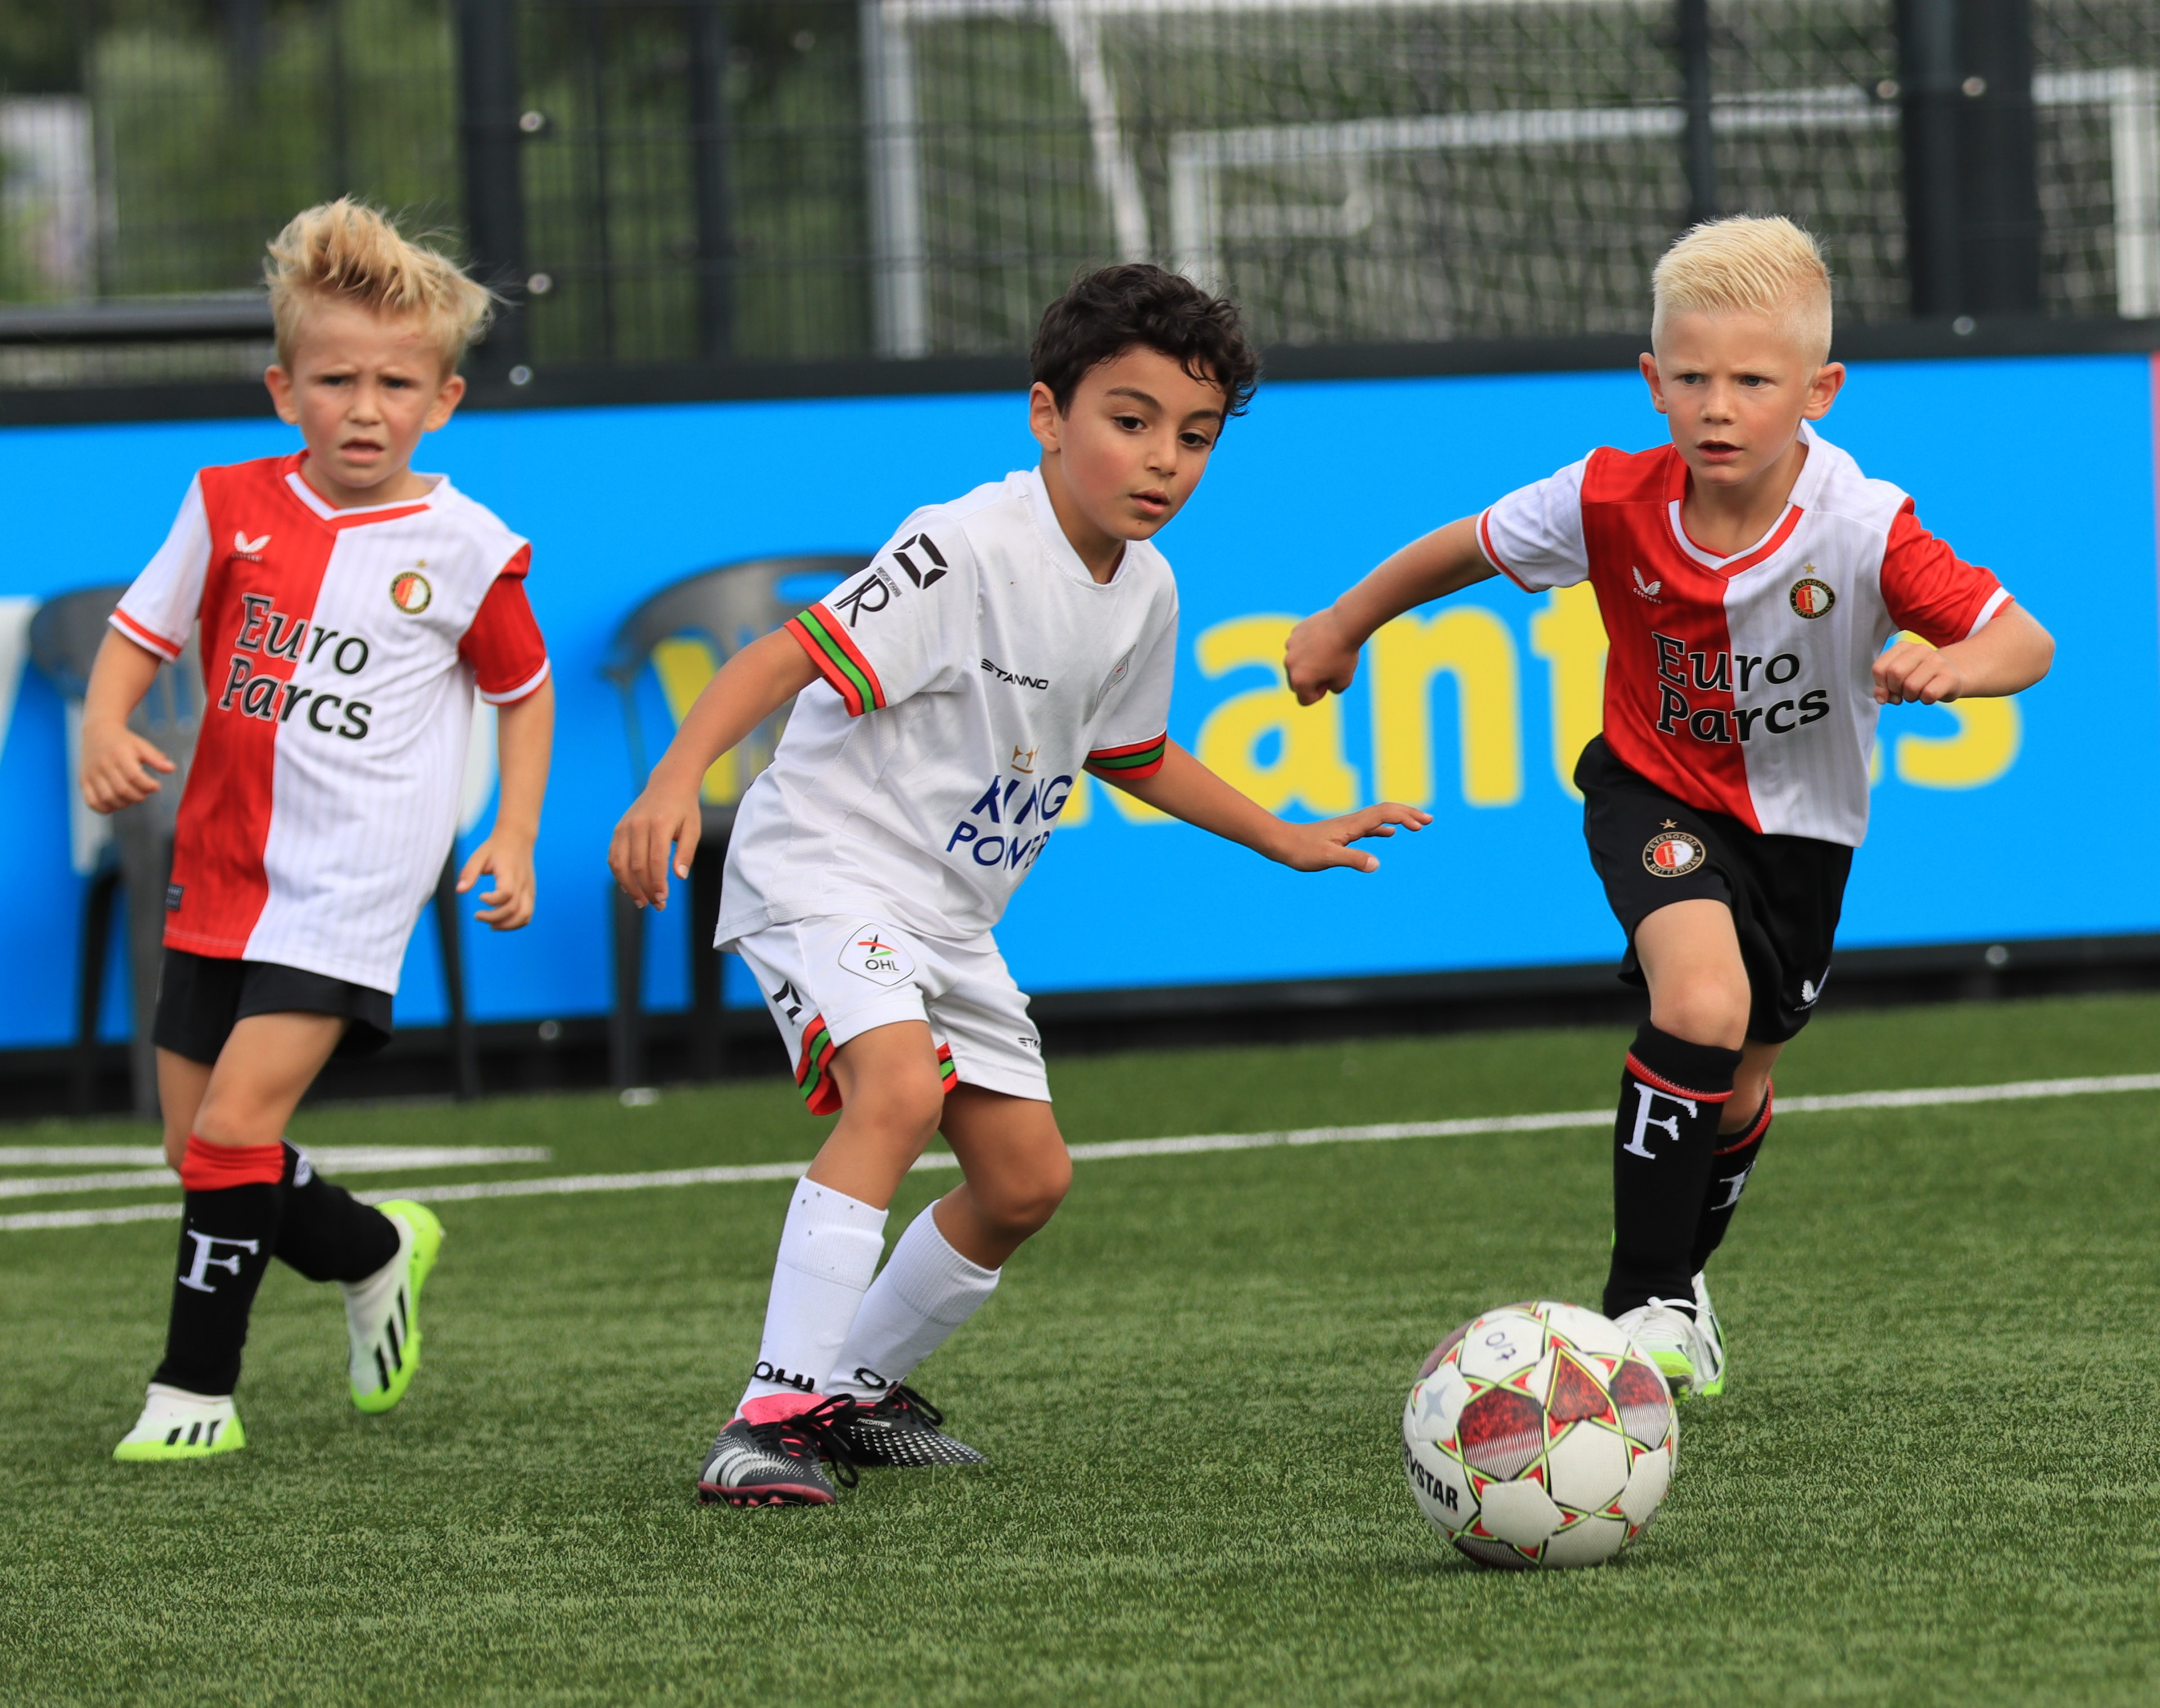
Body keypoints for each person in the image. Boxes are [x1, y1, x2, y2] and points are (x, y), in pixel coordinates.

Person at [612, 263, 1430, 1506]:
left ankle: (851, 1393)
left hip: (948, 917)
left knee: (1025, 1180)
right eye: (1131, 419)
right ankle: (764, 1420)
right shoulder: (964, 544)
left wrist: (1282, 835)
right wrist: (678, 776)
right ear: (1047, 415)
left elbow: (1135, 752)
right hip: (828, 865)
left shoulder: (1147, 589)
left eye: (1195, 436)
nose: (1165, 459)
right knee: (893, 1093)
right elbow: (783, 653)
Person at [1286, 215, 2053, 1396]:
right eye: (1692, 377)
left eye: (1753, 380)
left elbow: (2025, 637)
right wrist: (1345, 624)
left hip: (1804, 837)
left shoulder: (1863, 525)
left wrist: (1958, 665)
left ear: (1821, 389)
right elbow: (1465, 549)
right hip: (1647, 787)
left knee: (1743, 1073)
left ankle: (1680, 1285)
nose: (1719, 404)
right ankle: (1637, 1299)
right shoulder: (1606, 498)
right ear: (1653, 382)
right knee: (1701, 998)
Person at [87, 199, 555, 1460]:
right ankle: (374, 1247)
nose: (365, 406)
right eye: (336, 378)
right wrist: (106, 724)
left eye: (396, 382)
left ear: (444, 399)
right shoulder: (227, 502)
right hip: (220, 866)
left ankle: (195, 1394)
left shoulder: (468, 549)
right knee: (201, 1150)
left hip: (350, 886)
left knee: (234, 1134)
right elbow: (142, 630)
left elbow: (524, 693)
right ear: (283, 387)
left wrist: (511, 834)